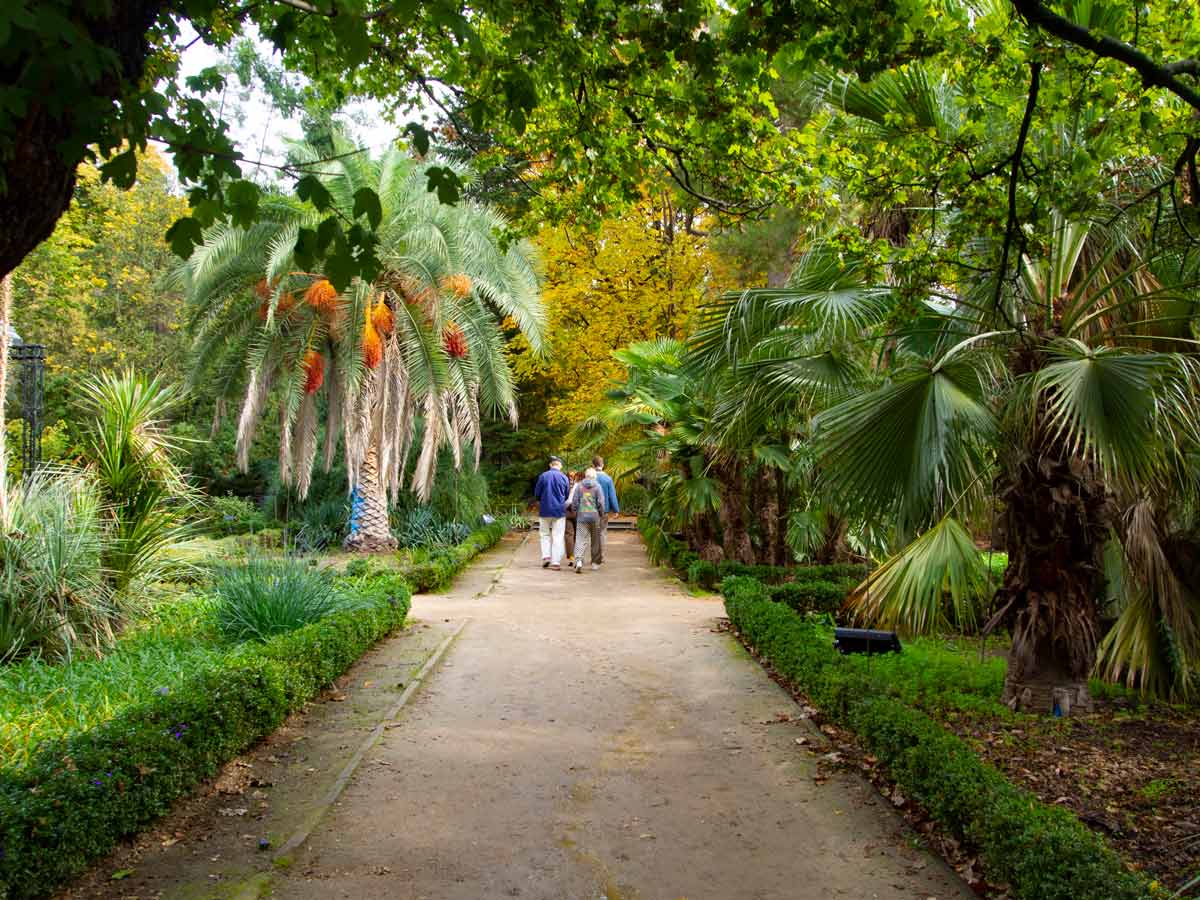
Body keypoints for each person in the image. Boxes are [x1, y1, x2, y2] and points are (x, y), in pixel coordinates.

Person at [566, 466, 606, 573]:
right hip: (595, 517)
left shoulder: (579, 486)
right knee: (595, 541)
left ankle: (579, 561)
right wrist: (601, 514)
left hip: (582, 517)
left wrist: (575, 511)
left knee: (580, 539)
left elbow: (575, 502)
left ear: (586, 475)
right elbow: (601, 503)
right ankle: (595, 563)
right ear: (594, 476)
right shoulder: (598, 486)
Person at [533, 456, 570, 569]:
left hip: (545, 510)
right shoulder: (564, 477)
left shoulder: (543, 476)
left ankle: (546, 557)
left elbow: (537, 494)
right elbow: (566, 495)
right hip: (559, 511)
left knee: (544, 534)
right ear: (560, 466)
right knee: (558, 536)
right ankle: (556, 562)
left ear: (550, 465)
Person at [591, 455, 619, 565]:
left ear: (593, 465)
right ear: (602, 465)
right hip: (604, 511)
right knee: (602, 533)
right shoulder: (608, 479)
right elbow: (612, 495)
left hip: (590, 509)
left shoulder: (589, 478)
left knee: (593, 534)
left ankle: (594, 557)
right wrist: (616, 510)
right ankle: (601, 557)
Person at [563, 470, 579, 564]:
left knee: (568, 534)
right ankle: (577, 556)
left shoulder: (564, 485)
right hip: (577, 510)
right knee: (577, 534)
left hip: (566, 510)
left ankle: (571, 556)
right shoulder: (579, 486)